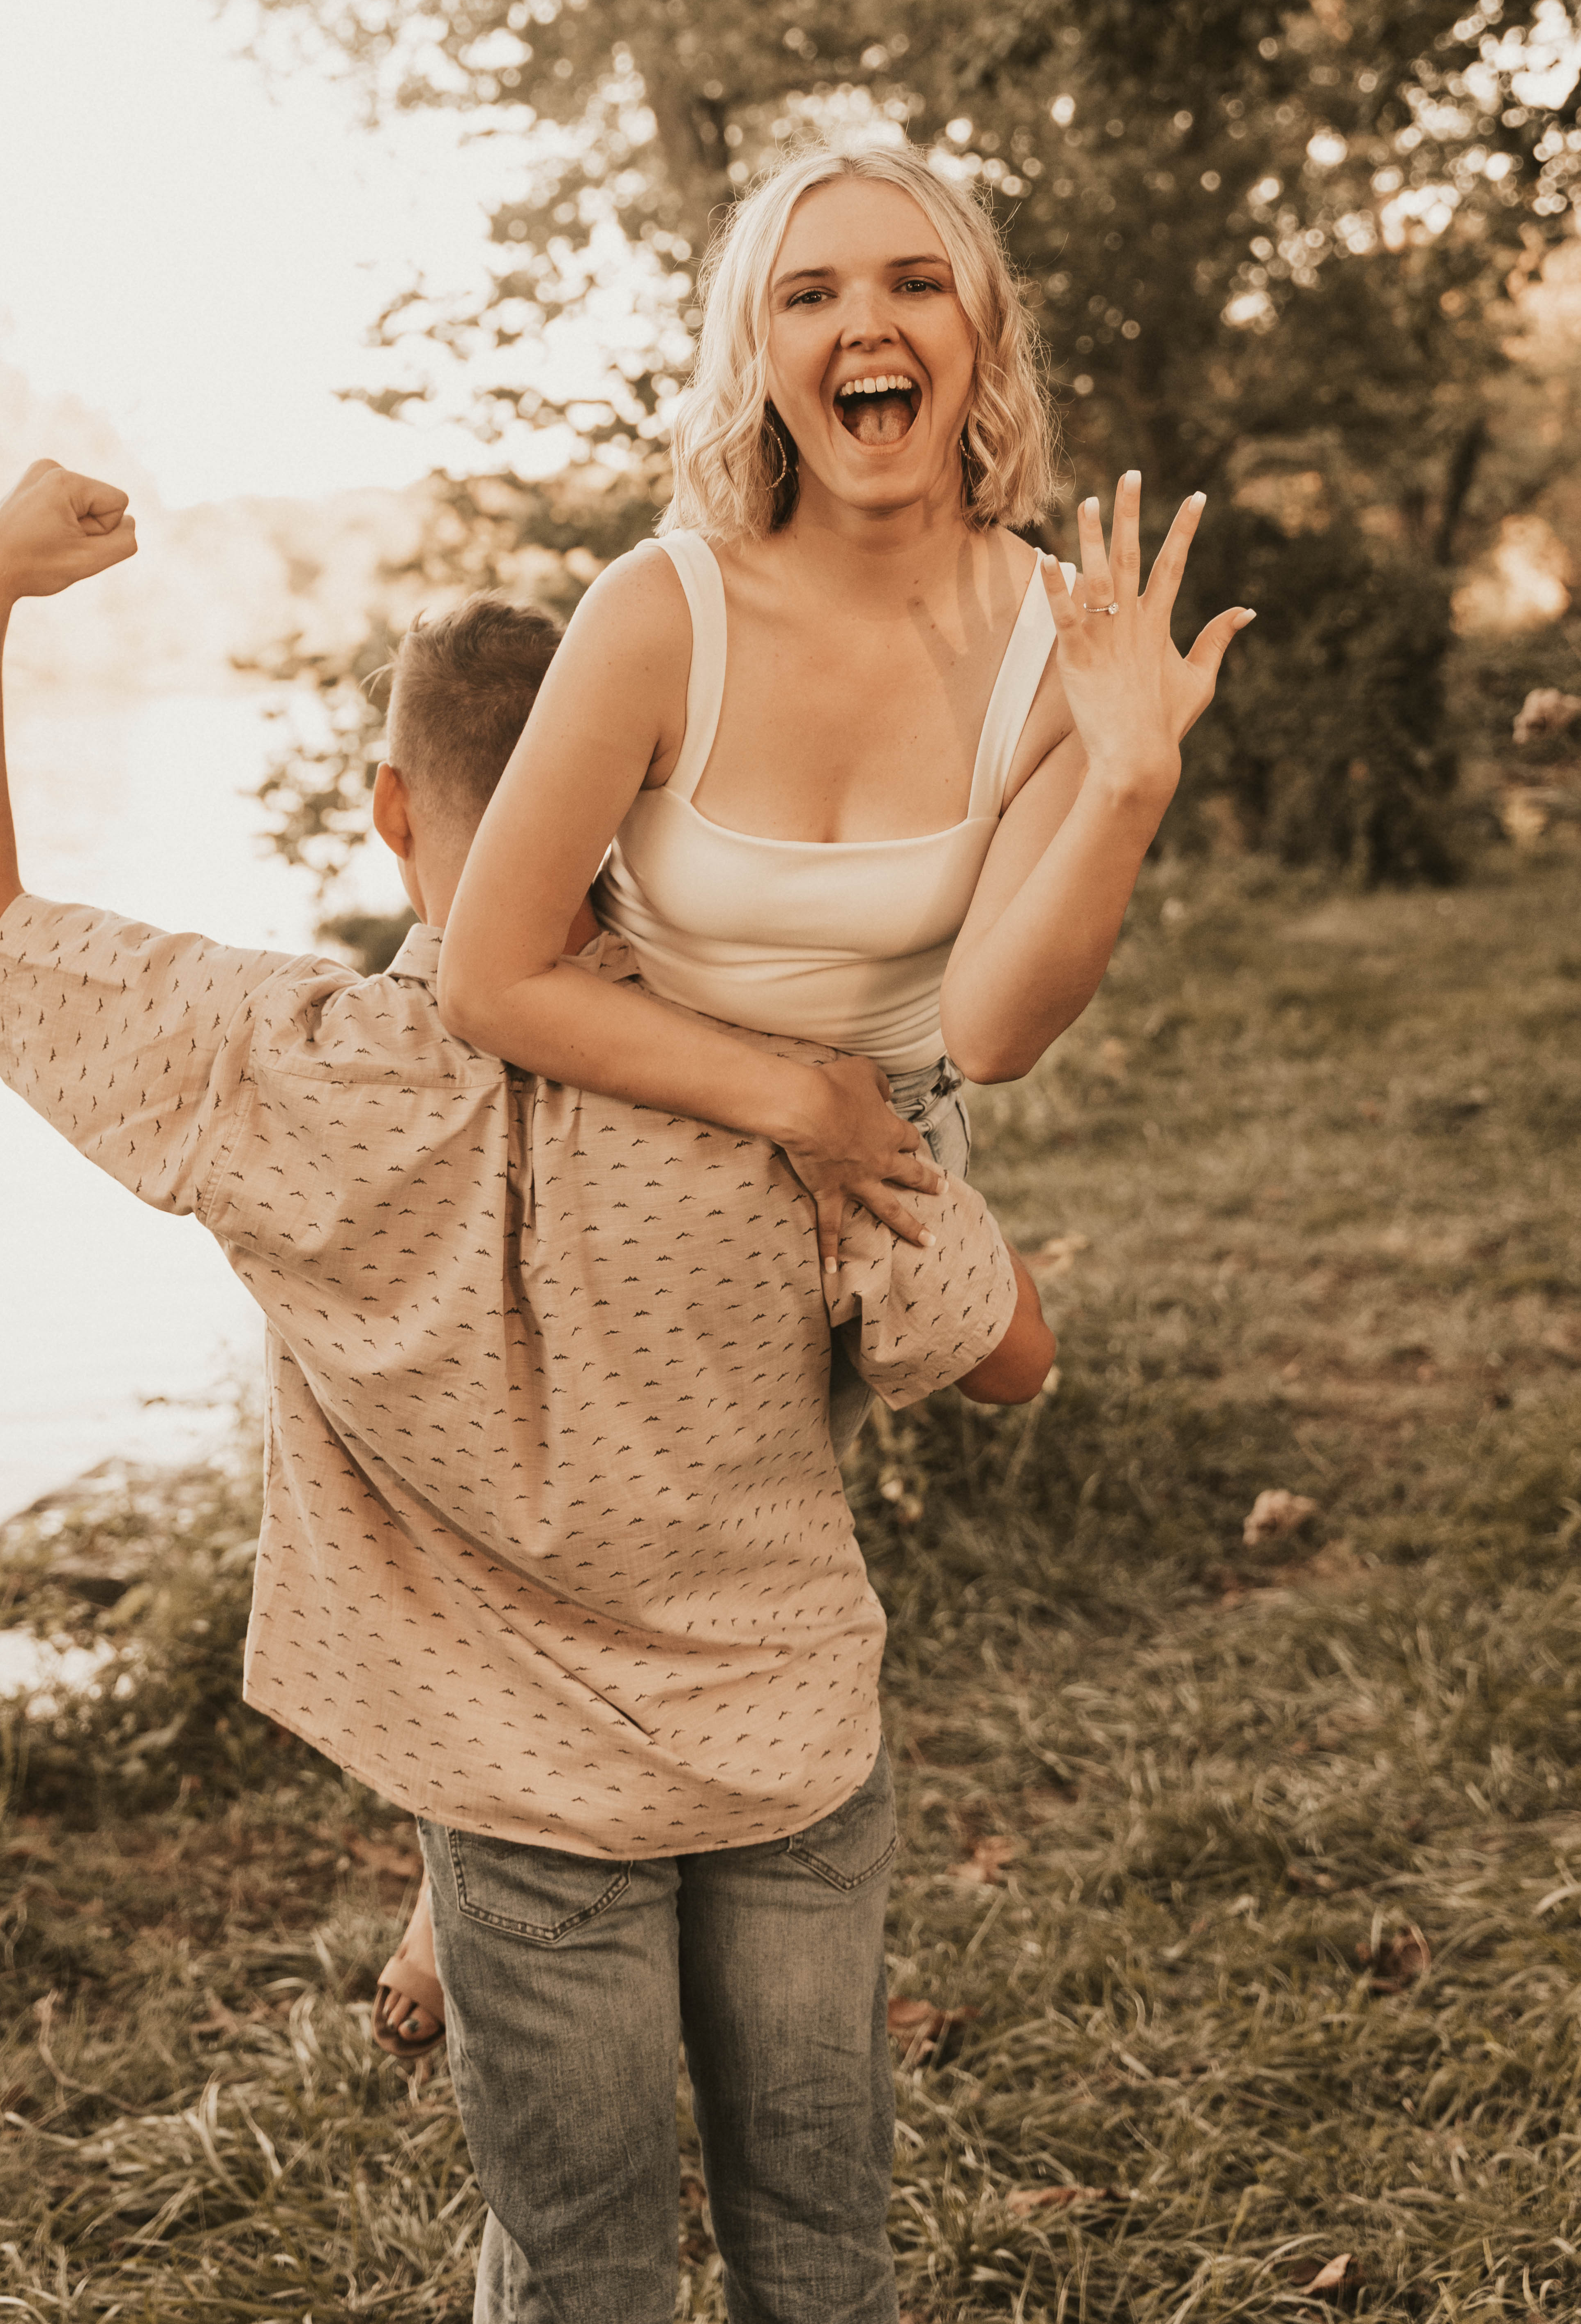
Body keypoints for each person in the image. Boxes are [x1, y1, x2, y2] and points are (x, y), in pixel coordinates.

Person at [0, 467, 1054, 2324]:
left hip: (518, 1806)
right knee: (820, 2260)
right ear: (645, 805)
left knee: (577, 2289)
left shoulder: (291, 1072)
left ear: (390, 810)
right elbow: (1009, 1360)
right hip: (785, 1752)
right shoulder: (788, 1087)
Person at [374, 141, 1252, 2055]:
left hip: (882, 1142)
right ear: (760, 354)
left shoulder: (1060, 641)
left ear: (979, 332)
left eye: (915, 282)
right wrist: (789, 1095)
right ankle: (489, 1861)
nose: (869, 322)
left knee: (900, 1438)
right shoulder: (657, 609)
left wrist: (1123, 783)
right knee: (574, 1513)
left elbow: (995, 1028)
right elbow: (492, 975)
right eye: (811, 291)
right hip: (621, 1090)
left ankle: (659, 1865)